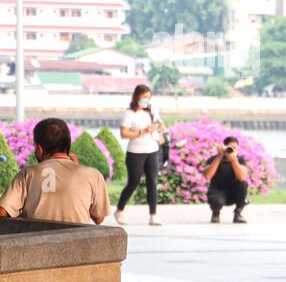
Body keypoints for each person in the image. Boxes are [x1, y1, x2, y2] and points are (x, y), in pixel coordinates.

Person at [0, 117, 109, 225]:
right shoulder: (93, 175)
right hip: (77, 240)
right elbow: (99, 218)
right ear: (68, 146)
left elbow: (2, 212)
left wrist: (22, 218)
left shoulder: (27, 174)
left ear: (39, 149)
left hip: (37, 241)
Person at [115, 84, 165, 226]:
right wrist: (143, 131)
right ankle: (119, 209)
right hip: (135, 153)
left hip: (152, 150)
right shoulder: (129, 113)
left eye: (148, 98)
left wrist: (159, 127)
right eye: (144, 97)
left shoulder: (150, 112)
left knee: (152, 182)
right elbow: (124, 134)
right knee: (133, 182)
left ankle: (153, 215)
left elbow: (159, 126)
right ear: (137, 96)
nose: (146, 100)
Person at [202, 136, 250, 224]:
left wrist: (233, 161)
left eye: (234, 148)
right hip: (218, 191)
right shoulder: (213, 159)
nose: (232, 150)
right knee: (216, 200)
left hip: (234, 192)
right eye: (229, 147)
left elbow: (242, 177)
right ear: (223, 147)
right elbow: (207, 176)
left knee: (243, 184)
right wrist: (219, 157)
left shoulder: (240, 160)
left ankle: (238, 213)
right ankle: (215, 213)